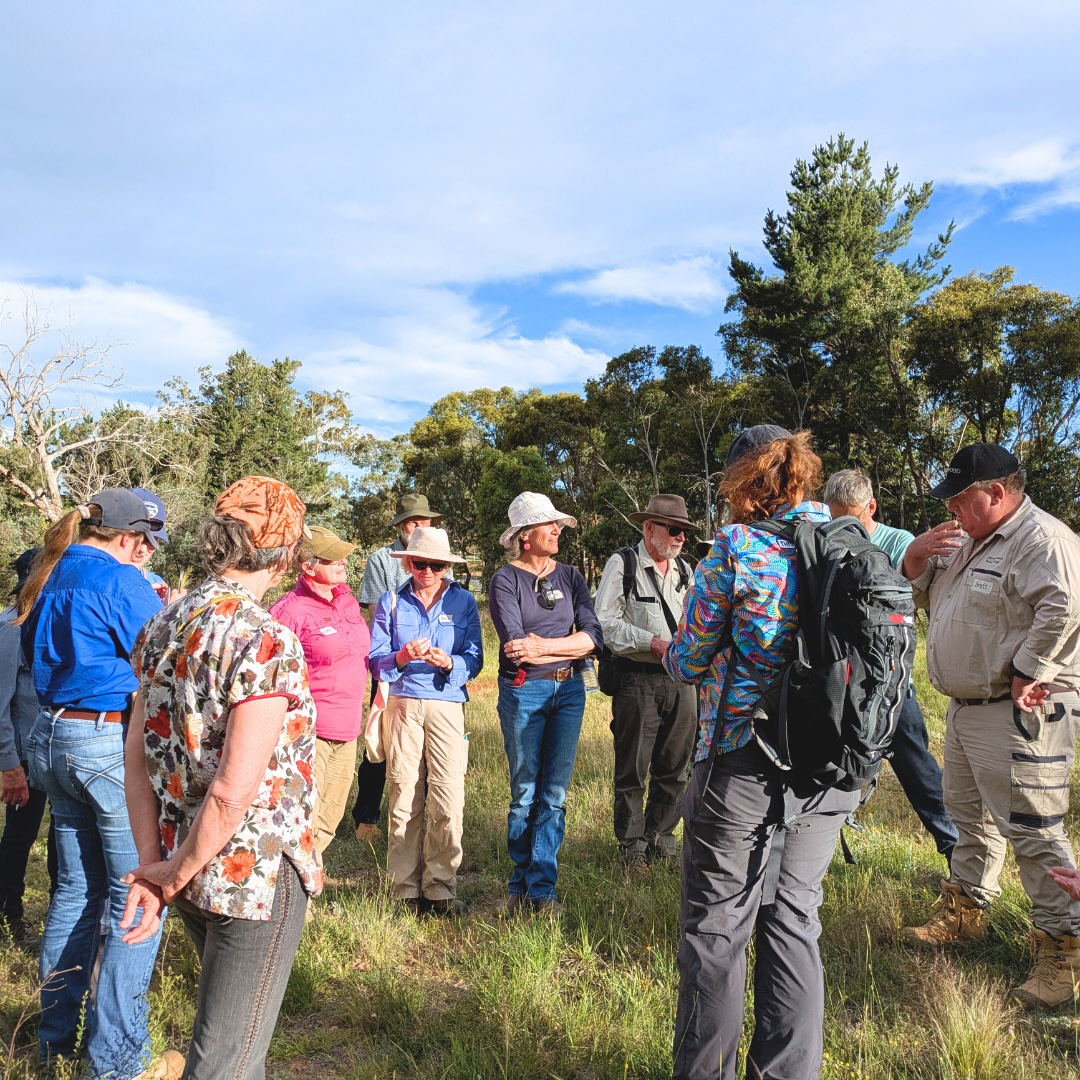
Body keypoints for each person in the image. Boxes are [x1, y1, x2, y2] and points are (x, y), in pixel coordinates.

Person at [664, 426, 861, 1080]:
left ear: (743, 482)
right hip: (831, 769)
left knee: (718, 934)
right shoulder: (850, 542)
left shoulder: (738, 549)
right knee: (793, 922)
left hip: (744, 761)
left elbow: (688, 659)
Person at [121, 475, 323, 1079]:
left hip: (185, 857)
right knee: (224, 1065)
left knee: (233, 1049)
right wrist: (169, 873)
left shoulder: (165, 623)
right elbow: (235, 789)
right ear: (286, 553)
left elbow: (136, 757)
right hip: (251, 874)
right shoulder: (265, 638)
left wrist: (158, 865)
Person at [899, 444, 1080, 1008]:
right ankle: (966, 912)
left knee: (1032, 827)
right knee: (967, 815)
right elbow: (921, 598)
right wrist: (915, 556)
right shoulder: (967, 540)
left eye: (959, 498)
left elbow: (1066, 609)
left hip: (1020, 708)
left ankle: (1064, 952)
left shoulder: (1042, 540)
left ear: (996, 492)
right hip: (967, 708)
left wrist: (1029, 668)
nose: (950, 509)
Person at [17, 490, 169, 1078]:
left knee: (75, 892)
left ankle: (53, 1042)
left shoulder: (48, 570)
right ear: (132, 538)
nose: (146, 557)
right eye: (146, 546)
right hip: (106, 740)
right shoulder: (118, 578)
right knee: (137, 892)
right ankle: (116, 1061)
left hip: (52, 735)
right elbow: (163, 653)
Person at [824, 469, 958, 863]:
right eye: (835, 517)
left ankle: (957, 852)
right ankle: (815, 849)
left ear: (872, 507)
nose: (844, 526)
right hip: (833, 675)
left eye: (853, 516)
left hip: (886, 680)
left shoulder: (897, 542)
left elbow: (906, 596)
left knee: (916, 763)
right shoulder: (822, 540)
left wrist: (915, 556)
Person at [487, 492, 603, 915]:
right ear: (525, 537)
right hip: (524, 690)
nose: (557, 530)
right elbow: (516, 648)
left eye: (556, 524)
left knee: (553, 794)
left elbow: (595, 635)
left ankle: (542, 890)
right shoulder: (505, 580)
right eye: (548, 525)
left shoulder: (571, 576)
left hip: (570, 692)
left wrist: (548, 648)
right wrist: (572, 646)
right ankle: (519, 886)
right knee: (524, 793)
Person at [368, 527, 482, 915]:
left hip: (448, 704)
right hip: (401, 703)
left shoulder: (464, 602)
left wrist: (451, 662)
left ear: (447, 566)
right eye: (420, 563)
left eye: (436, 564)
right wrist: (400, 657)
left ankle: (440, 888)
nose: (427, 571)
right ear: (408, 562)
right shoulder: (391, 602)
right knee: (403, 794)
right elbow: (375, 659)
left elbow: (475, 657)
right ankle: (403, 890)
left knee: (448, 795)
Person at [594, 493, 698, 871]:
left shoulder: (686, 571)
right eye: (673, 530)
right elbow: (604, 625)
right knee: (633, 768)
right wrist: (650, 642)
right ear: (649, 528)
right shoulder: (623, 564)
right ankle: (632, 847)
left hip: (683, 682)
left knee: (675, 766)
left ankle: (662, 838)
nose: (680, 538)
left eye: (684, 531)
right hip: (637, 679)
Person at [270, 524, 369, 859]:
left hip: (348, 728)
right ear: (308, 566)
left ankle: (303, 893)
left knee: (329, 818)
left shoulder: (348, 602)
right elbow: (272, 673)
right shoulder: (289, 610)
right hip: (310, 733)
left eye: (342, 556)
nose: (342, 562)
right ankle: (290, 900)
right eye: (332, 558)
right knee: (302, 817)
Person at [352, 493, 444, 845]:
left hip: (433, 669)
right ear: (402, 526)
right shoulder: (382, 559)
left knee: (425, 748)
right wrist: (399, 652)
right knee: (377, 741)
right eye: (414, 522)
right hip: (391, 663)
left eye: (426, 521)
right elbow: (375, 611)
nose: (421, 527)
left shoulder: (437, 556)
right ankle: (367, 816)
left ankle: (420, 817)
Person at [0, 549, 55, 948]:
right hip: (24, 753)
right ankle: (9, 918)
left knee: (61, 838)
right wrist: (9, 764)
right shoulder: (11, 627)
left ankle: (61, 920)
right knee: (20, 836)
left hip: (55, 750)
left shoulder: (50, 620)